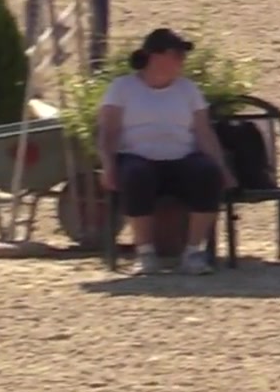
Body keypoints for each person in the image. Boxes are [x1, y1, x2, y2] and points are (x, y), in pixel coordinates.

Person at [97, 28, 235, 275]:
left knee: (207, 173)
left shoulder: (188, 89)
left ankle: (193, 252)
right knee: (136, 175)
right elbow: (109, 131)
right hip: (138, 156)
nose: (182, 61)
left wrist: (221, 167)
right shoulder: (123, 88)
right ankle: (145, 254)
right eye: (177, 55)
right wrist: (107, 165)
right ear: (156, 56)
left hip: (182, 158)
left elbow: (204, 132)